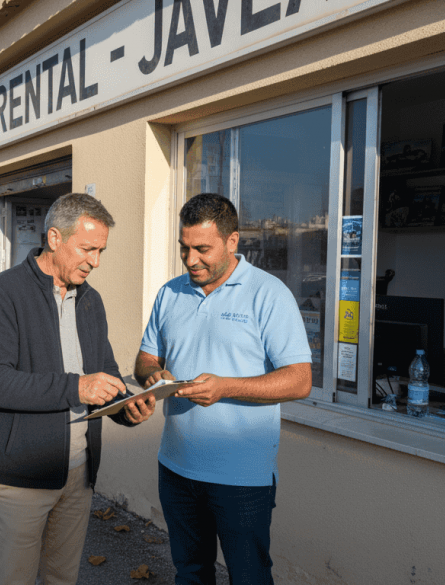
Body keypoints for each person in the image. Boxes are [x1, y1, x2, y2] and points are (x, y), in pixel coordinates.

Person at [0, 193, 156, 585]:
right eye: (88, 249)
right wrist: (77, 388)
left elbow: (104, 373)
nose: (96, 261)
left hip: (78, 474)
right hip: (19, 476)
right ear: (55, 238)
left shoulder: (91, 301)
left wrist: (128, 406)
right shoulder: (1, 294)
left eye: (101, 250)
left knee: (61, 579)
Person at [134, 193, 312, 585]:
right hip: (176, 468)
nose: (191, 260)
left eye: (202, 249)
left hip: (242, 477)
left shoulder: (269, 294)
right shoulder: (170, 293)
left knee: (248, 577)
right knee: (190, 573)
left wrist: (225, 387)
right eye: (184, 249)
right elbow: (145, 358)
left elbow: (300, 380)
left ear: (233, 242)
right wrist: (153, 376)